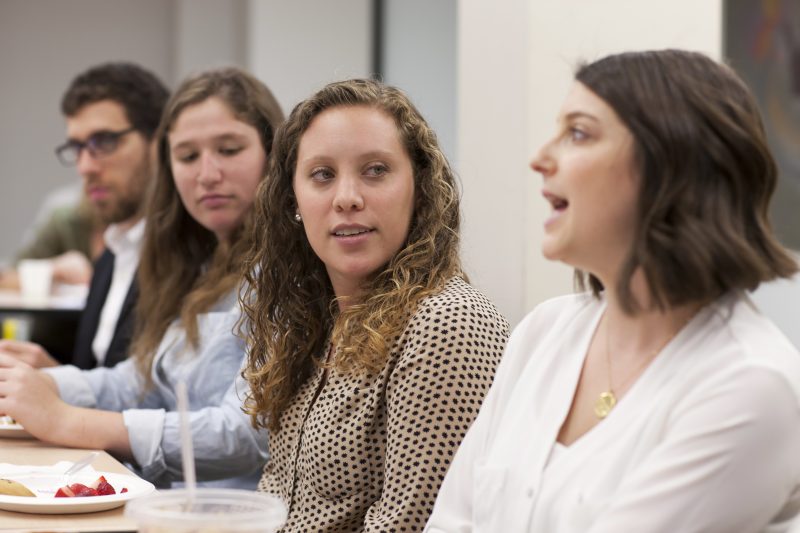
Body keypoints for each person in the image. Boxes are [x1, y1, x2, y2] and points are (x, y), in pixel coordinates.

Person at [425, 49, 800, 532]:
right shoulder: (544, 331)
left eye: (578, 133)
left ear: (671, 164)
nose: (540, 158)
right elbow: (450, 522)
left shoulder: (751, 384)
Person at [241, 78, 509, 531]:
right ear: (294, 202)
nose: (347, 197)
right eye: (322, 175)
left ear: (420, 189)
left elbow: (412, 524)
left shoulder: (447, 322)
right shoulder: (318, 320)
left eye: (376, 170)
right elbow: (277, 501)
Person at [0, 67, 285, 489]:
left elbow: (246, 434)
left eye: (228, 149)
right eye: (188, 157)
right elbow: (141, 379)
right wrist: (36, 384)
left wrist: (68, 419)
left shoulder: (289, 271)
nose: (207, 174)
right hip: (173, 506)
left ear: (272, 153)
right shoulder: (201, 264)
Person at [0, 62, 169, 369]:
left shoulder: (186, 244)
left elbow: (160, 396)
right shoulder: (114, 245)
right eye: (77, 148)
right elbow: (103, 376)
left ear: (159, 142)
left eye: (104, 142)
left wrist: (58, 384)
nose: (85, 167)